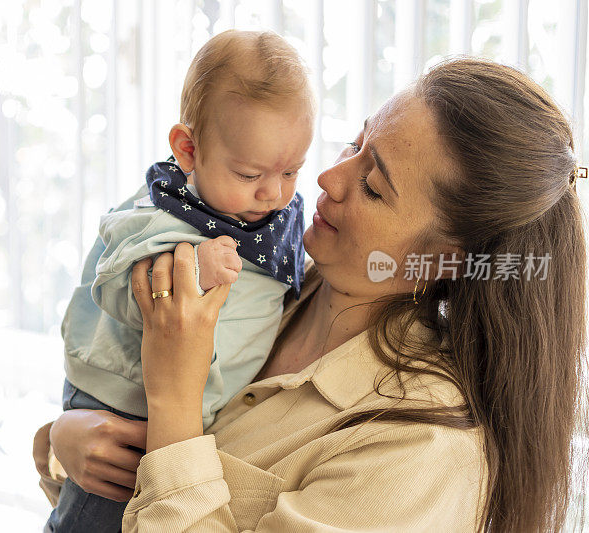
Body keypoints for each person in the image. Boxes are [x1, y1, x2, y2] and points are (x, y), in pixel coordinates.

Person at [35, 57, 588, 532]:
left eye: (373, 186)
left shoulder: (423, 451)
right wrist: (64, 445)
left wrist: (174, 405)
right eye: (356, 142)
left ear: (447, 259)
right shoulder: (271, 284)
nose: (327, 176)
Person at [50, 30, 315, 531]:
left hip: (188, 419)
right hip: (121, 404)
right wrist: (190, 267)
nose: (274, 194)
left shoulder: (276, 223)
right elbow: (112, 284)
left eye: (292, 172)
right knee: (89, 522)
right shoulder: (164, 212)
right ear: (188, 150)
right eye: (249, 174)